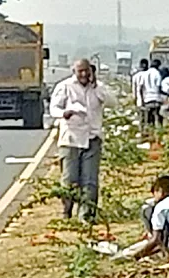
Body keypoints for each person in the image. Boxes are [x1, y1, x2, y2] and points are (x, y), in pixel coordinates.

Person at [50, 59, 115, 222]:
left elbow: (113, 102)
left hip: (92, 138)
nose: (84, 74)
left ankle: (86, 215)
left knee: (90, 180)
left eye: (87, 71)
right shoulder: (65, 87)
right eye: (81, 71)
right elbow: (54, 108)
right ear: (74, 71)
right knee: (69, 179)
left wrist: (98, 87)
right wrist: (64, 113)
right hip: (71, 139)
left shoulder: (98, 88)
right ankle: (67, 212)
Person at [140, 59, 163, 127]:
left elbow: (141, 88)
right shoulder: (157, 73)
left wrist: (142, 99)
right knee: (157, 117)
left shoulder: (145, 74)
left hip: (147, 99)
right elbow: (159, 87)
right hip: (156, 98)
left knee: (148, 118)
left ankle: (148, 131)